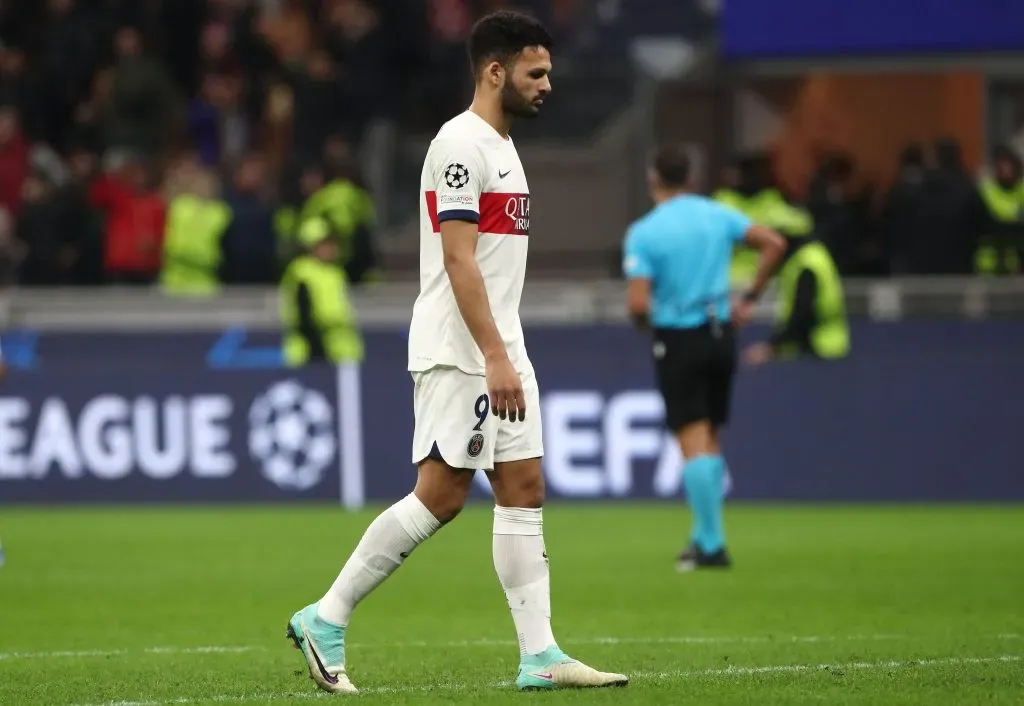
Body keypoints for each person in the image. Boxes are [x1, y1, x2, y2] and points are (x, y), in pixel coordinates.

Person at [285, 11, 628, 694]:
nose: (548, 85)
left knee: (523, 486)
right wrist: (494, 356)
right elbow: (459, 259)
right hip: (463, 347)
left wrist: (506, 350)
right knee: (441, 495)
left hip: (501, 342)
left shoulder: (503, 146)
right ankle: (326, 616)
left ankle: (540, 655)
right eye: (536, 73)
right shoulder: (458, 146)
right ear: (495, 72)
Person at [622, 144, 786, 572]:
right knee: (710, 434)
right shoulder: (717, 215)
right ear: (691, 178)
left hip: (679, 337)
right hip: (720, 333)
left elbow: (638, 304)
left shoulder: (646, 232)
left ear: (653, 179)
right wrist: (749, 298)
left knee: (692, 437)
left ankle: (712, 544)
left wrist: (648, 324)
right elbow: (774, 243)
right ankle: (702, 536)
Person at [742, 233, 850, 366]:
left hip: (815, 351)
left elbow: (803, 314)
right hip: (831, 347)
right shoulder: (816, 254)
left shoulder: (805, 264)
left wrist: (771, 347)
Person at [279, 217, 363, 366]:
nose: (331, 247)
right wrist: (316, 346)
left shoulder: (335, 271)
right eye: (325, 243)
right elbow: (302, 313)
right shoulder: (301, 272)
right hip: (312, 348)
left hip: (340, 347)